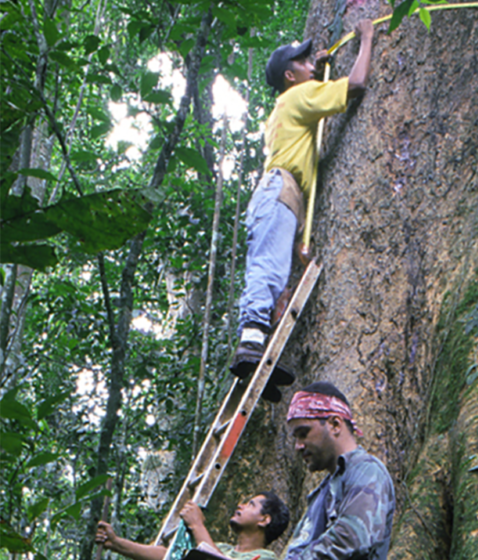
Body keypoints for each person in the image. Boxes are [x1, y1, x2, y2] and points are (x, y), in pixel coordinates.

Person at [230, 20, 376, 402]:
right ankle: (250, 344)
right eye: (303, 61)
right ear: (290, 75)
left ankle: (254, 351)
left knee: (275, 272)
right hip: (280, 191)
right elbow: (356, 85)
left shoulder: (288, 102)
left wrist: (299, 236)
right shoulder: (297, 97)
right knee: (268, 269)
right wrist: (367, 39)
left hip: (283, 196)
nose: (311, 63)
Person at [284, 381, 395, 559]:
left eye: (303, 433)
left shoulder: (367, 471)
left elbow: (352, 537)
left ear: (335, 425)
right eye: (295, 438)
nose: (298, 446)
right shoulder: (324, 490)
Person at [95, 492, 290, 560]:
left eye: (251, 504)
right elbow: (169, 555)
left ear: (264, 520)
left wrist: (197, 526)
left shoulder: (268, 558)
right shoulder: (221, 549)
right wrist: (117, 543)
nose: (241, 506)